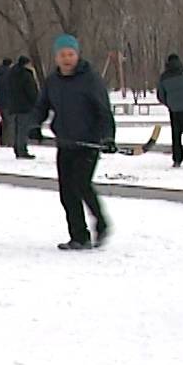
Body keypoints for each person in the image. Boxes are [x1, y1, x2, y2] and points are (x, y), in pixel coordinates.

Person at [30, 35, 117, 250]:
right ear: (56, 57)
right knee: (67, 192)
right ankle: (79, 236)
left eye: (71, 54)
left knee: (81, 184)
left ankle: (101, 223)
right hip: (66, 142)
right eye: (62, 55)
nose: (67, 59)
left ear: (77, 55)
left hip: (88, 143)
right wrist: (35, 125)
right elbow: (42, 106)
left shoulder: (90, 79)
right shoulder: (52, 82)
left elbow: (104, 111)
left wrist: (108, 137)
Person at [0, 55, 39, 160]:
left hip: (14, 105)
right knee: (23, 129)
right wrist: (36, 101)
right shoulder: (27, 75)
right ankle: (22, 150)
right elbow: (31, 91)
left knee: (17, 128)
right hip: (25, 106)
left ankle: (17, 148)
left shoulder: (11, 74)